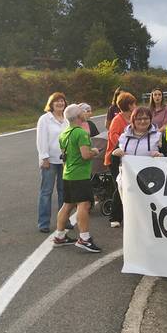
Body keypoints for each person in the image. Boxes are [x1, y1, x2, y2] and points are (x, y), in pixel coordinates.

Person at [53, 104, 102, 252]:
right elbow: (85, 155)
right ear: (79, 117)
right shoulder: (81, 133)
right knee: (84, 204)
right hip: (80, 175)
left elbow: (65, 154)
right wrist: (94, 151)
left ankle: (60, 235)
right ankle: (84, 238)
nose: (85, 113)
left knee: (67, 204)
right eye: (82, 112)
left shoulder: (64, 133)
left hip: (68, 173)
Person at [36, 92, 69, 233]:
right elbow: (41, 139)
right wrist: (44, 157)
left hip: (64, 160)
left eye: (62, 101)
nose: (60, 103)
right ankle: (43, 223)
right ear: (51, 104)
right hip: (49, 161)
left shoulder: (67, 119)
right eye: (57, 101)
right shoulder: (45, 119)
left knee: (64, 192)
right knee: (46, 192)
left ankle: (64, 220)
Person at [105, 92, 137, 228]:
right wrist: (127, 145)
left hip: (130, 158)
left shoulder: (133, 118)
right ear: (129, 105)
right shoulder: (117, 120)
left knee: (130, 187)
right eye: (134, 104)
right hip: (116, 158)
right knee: (120, 186)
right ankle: (115, 216)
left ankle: (128, 214)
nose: (136, 106)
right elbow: (113, 137)